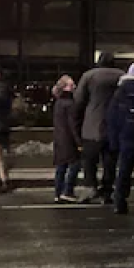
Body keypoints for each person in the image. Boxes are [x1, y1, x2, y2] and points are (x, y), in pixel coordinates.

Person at [74, 52, 124, 203]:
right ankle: (107, 191)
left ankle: (91, 188)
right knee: (110, 162)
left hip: (92, 125)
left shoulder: (89, 76)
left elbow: (79, 100)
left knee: (90, 161)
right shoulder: (121, 76)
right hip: (114, 126)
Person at [107, 62, 134, 215]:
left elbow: (112, 116)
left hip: (126, 135)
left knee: (124, 170)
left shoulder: (121, 90)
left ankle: (119, 202)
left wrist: (114, 139)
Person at [51, 75, 82, 203]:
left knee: (61, 167)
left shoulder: (58, 102)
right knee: (75, 165)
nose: (74, 86)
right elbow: (73, 125)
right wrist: (79, 142)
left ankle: (58, 192)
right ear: (65, 88)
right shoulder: (70, 104)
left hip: (59, 139)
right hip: (69, 140)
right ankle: (68, 191)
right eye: (71, 84)